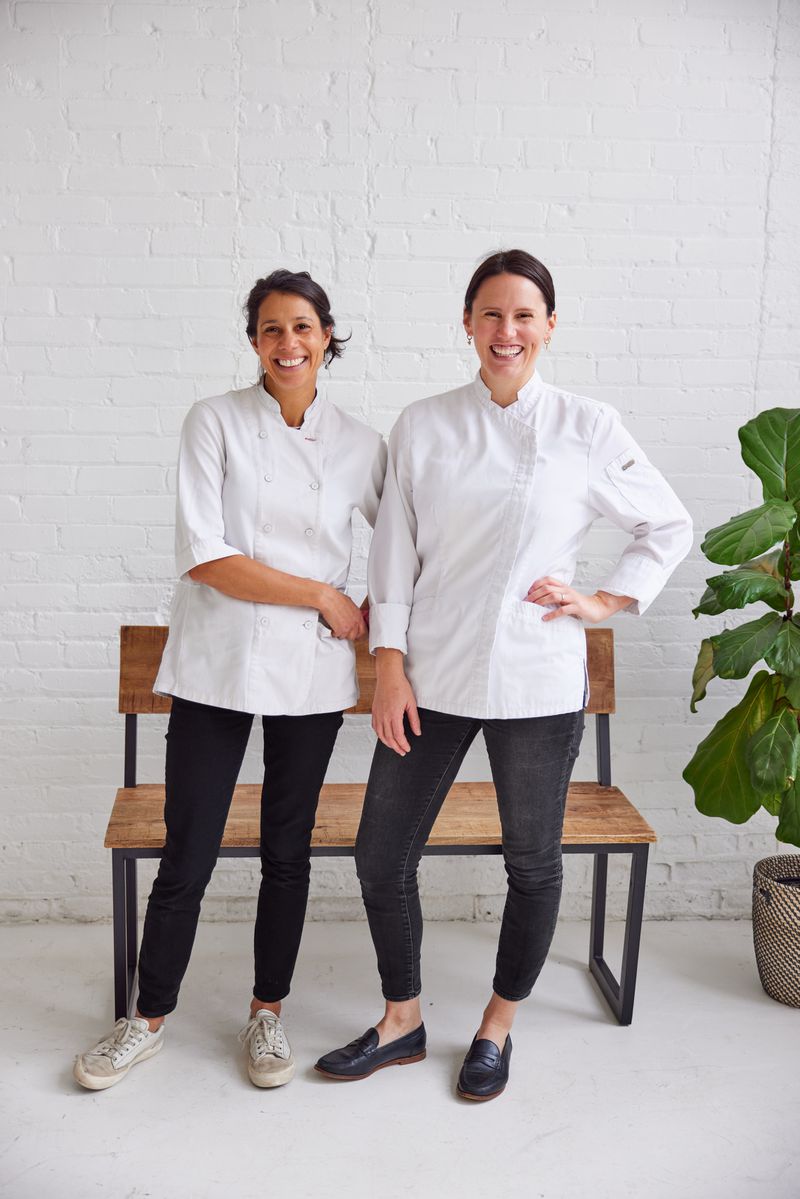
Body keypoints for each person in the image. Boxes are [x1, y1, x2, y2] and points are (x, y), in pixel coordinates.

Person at [315, 249, 693, 1101]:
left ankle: (496, 1025)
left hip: (536, 677)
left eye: (524, 315)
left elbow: (666, 523)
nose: (507, 331)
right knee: (381, 853)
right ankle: (401, 1018)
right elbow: (395, 552)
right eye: (491, 314)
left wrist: (603, 600)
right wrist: (387, 665)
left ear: (550, 326)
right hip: (432, 673)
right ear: (467, 324)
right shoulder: (423, 425)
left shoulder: (587, 426)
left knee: (534, 861)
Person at [74, 269, 387, 1091]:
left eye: (304, 327)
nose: (290, 343)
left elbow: (405, 542)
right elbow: (208, 557)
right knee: (189, 849)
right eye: (272, 329)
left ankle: (267, 1015)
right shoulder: (212, 421)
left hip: (312, 675)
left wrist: (371, 606)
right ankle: (144, 1022)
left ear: (328, 338)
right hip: (216, 663)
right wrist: (324, 591)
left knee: (289, 853)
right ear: (254, 341)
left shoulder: (361, 444)